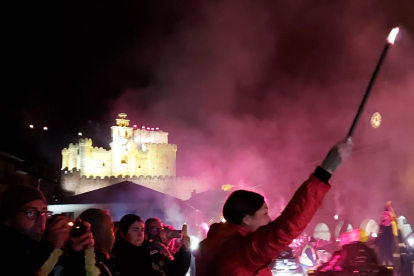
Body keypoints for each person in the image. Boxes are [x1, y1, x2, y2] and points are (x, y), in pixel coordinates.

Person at [195, 137, 353, 276]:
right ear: (247, 219)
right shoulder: (238, 252)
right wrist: (324, 172)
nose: (269, 219)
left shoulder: (216, 244)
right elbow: (286, 228)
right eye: (264, 214)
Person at [0, 185, 97, 276]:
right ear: (8, 218)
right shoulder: (8, 253)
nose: (41, 220)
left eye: (44, 213)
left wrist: (79, 254)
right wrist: (50, 247)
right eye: (31, 212)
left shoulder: (39, 251)